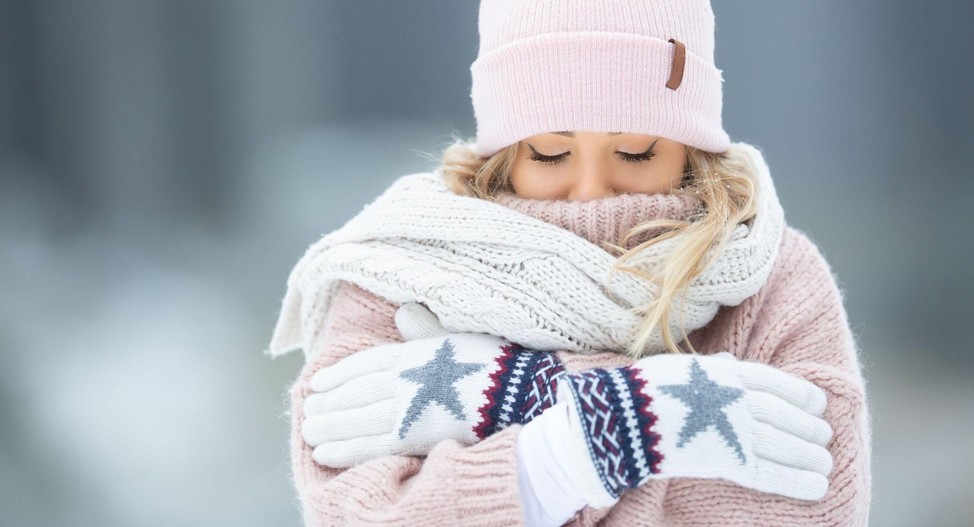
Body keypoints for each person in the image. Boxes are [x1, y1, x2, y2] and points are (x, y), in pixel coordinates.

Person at [267, 1, 872, 525]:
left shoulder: (770, 276)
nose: (590, 190)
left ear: (690, 147)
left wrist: (500, 408)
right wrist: (590, 432)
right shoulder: (402, 271)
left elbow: (822, 504)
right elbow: (358, 513)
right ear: (503, 150)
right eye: (550, 152)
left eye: (636, 151)